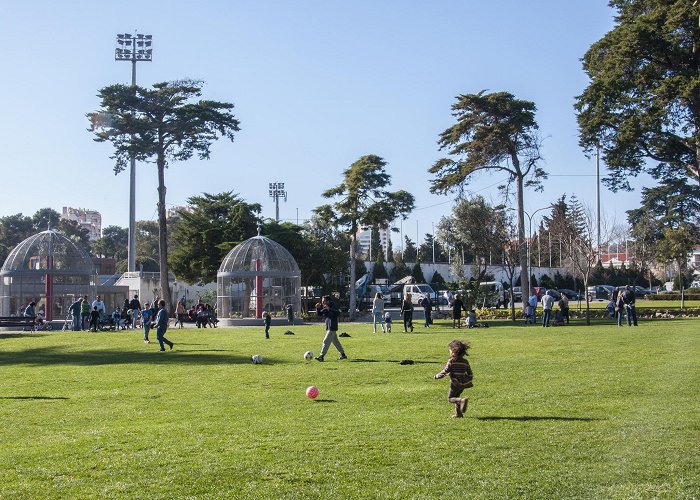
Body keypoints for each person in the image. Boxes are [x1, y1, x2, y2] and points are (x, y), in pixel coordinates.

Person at [434, 339, 473, 418]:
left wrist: (437, 376)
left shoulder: (451, 361)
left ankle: (462, 401)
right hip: (462, 384)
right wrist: (467, 380)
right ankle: (459, 414)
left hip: (454, 383)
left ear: (453, 351)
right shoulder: (465, 361)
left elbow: (446, 370)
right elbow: (470, 373)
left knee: (450, 398)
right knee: (457, 396)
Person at [314, 295, 346, 362]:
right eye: (322, 301)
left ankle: (321, 356)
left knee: (325, 341)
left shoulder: (333, 306)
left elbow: (337, 313)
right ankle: (343, 355)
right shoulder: (325, 307)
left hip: (332, 327)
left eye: (324, 301)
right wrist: (317, 308)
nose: (322, 303)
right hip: (329, 327)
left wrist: (329, 309)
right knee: (336, 342)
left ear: (328, 301)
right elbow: (320, 314)